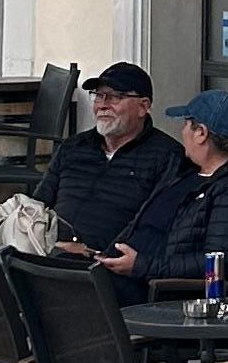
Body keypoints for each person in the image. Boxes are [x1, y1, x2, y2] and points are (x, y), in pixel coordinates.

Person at [98, 88, 228, 285]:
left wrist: (143, 266)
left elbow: (221, 261)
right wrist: (105, 255)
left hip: (164, 290)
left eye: (186, 124)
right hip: (130, 276)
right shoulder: (185, 174)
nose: (182, 132)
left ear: (201, 133)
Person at [41, 61, 185, 256]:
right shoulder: (73, 147)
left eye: (115, 97)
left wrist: (92, 253)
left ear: (143, 106)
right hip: (46, 255)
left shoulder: (167, 157)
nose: (102, 105)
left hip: (106, 268)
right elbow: (40, 202)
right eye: (99, 96)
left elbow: (155, 228)